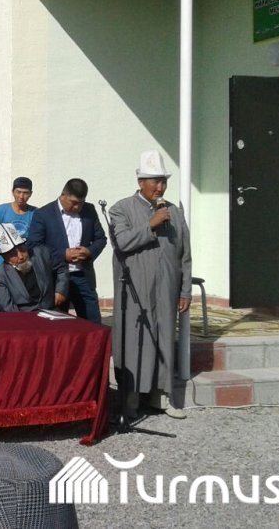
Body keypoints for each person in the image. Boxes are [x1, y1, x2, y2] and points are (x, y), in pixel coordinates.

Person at [109, 150, 191, 420]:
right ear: (140, 182)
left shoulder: (174, 212)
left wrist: (185, 289)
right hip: (135, 291)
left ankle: (161, 396)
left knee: (164, 339)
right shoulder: (121, 208)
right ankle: (130, 400)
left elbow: (184, 254)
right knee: (135, 342)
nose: (160, 187)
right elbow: (121, 242)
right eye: (155, 181)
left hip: (166, 289)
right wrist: (150, 225)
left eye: (163, 181)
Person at [26, 178, 107, 323]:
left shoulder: (89, 210)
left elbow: (101, 239)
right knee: (58, 325)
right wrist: (63, 254)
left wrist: (89, 251)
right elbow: (34, 246)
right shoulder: (43, 214)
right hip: (55, 278)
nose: (77, 207)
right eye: (74, 202)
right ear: (63, 195)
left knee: (93, 323)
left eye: (81, 203)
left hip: (83, 276)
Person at [0, 223, 68, 312]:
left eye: (22, 249)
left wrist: (60, 291)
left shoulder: (41, 254)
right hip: (24, 317)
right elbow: (9, 309)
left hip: (51, 310)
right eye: (13, 254)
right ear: (5, 257)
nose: (21, 256)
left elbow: (62, 268)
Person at [0, 176, 36, 274]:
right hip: (1, 263)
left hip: (23, 264)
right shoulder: (1, 210)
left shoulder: (34, 213)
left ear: (30, 194)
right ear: (12, 192)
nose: (21, 196)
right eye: (18, 192)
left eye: (25, 193)